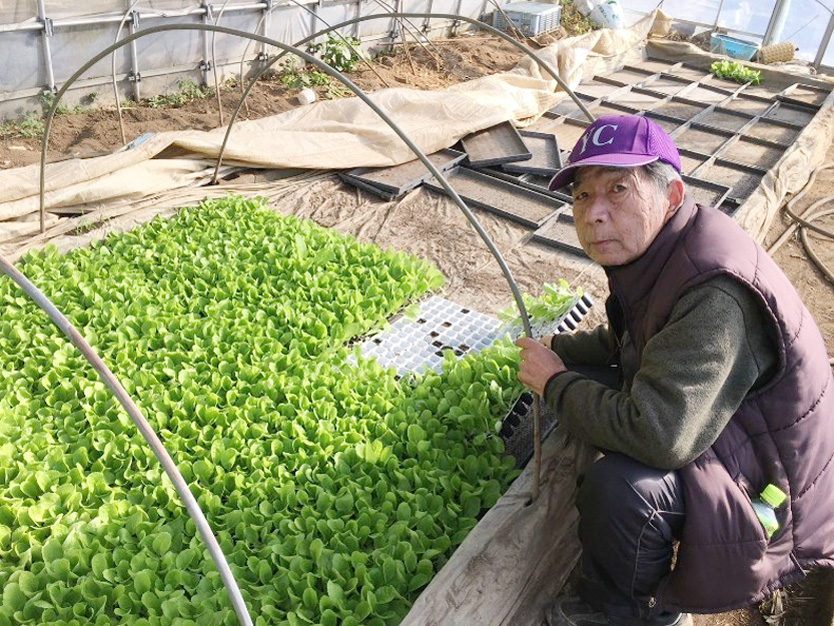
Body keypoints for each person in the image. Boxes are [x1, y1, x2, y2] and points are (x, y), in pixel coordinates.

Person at [515, 114, 834, 626]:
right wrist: (564, 349)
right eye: (580, 196)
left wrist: (554, 381)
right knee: (601, 392)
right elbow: (644, 341)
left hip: (774, 497)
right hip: (740, 438)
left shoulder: (715, 291)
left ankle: (632, 613)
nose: (594, 213)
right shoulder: (667, 251)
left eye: (618, 189)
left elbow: (658, 435)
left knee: (622, 489)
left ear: (671, 194)